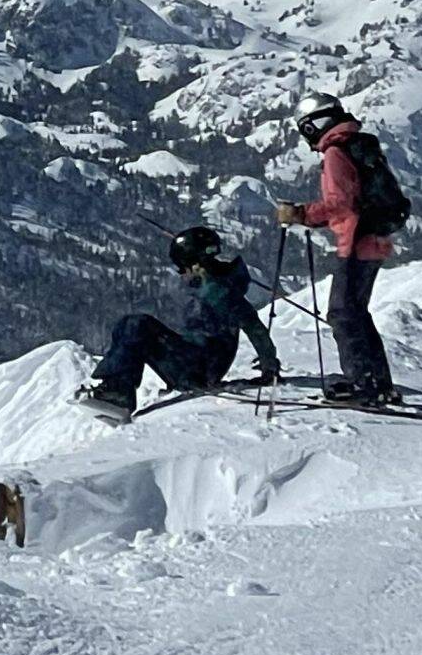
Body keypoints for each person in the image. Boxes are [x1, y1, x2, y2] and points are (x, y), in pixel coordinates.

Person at [77, 225, 280, 419]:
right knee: (131, 324)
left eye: (182, 268)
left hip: (200, 369)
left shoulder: (219, 291)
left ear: (196, 264)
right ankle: (116, 391)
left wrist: (269, 366)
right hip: (197, 361)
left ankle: (118, 395)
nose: (181, 273)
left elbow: (252, 325)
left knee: (136, 325)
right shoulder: (213, 287)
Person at [276, 91, 396, 405]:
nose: (306, 137)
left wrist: (301, 214)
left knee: (342, 313)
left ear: (314, 124)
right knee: (355, 312)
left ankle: (363, 385)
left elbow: (340, 204)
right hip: (375, 238)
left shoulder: (336, 153)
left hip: (356, 240)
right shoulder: (359, 145)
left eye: (305, 129)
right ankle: (378, 383)